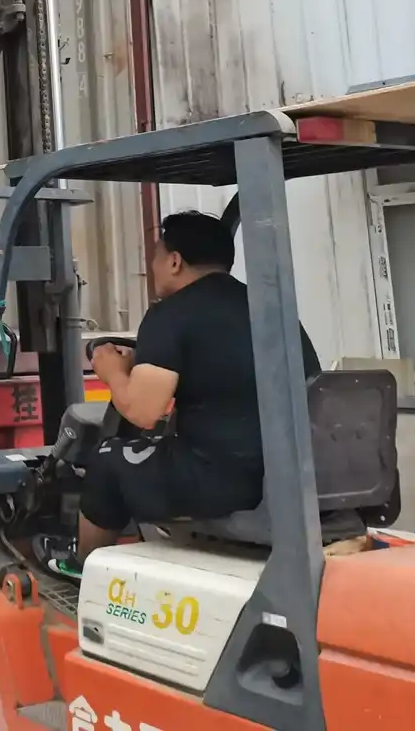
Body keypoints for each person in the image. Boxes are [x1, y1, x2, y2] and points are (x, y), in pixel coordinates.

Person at [43, 211, 322, 577]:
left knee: (109, 458)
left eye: (157, 256)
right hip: (289, 474)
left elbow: (142, 413)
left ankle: (82, 566)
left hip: (222, 481)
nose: (154, 266)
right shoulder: (272, 309)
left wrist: (111, 371)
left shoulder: (172, 315)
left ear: (175, 261)